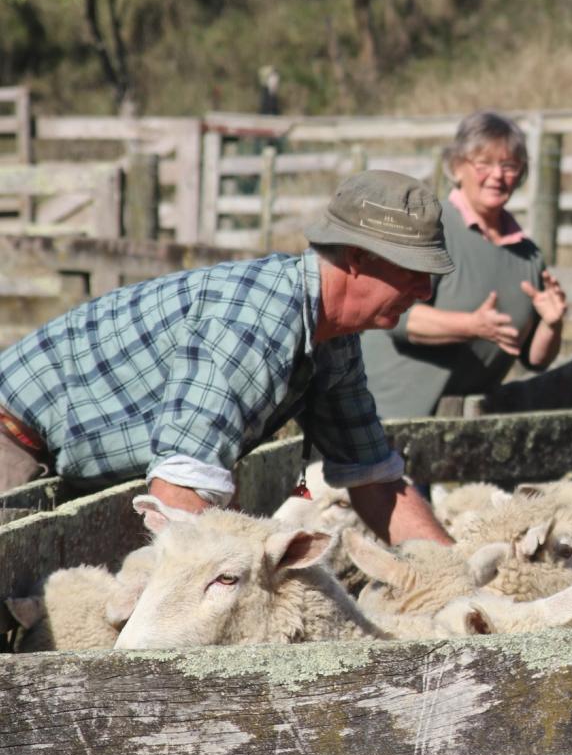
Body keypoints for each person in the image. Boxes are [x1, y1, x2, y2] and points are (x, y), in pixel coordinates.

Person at [0, 170, 455, 545]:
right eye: (412, 272)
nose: (423, 291)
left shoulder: (334, 341)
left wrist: (455, 583)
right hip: (11, 440)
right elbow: (180, 493)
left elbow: (376, 481)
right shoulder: (253, 320)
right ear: (357, 258)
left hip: (55, 454)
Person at [360, 111, 567, 420]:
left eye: (508, 165)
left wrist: (552, 325)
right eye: (483, 163)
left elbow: (534, 359)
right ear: (457, 166)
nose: (497, 175)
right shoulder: (429, 226)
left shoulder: (528, 256)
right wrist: (472, 326)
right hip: (385, 414)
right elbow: (396, 315)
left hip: (462, 425)